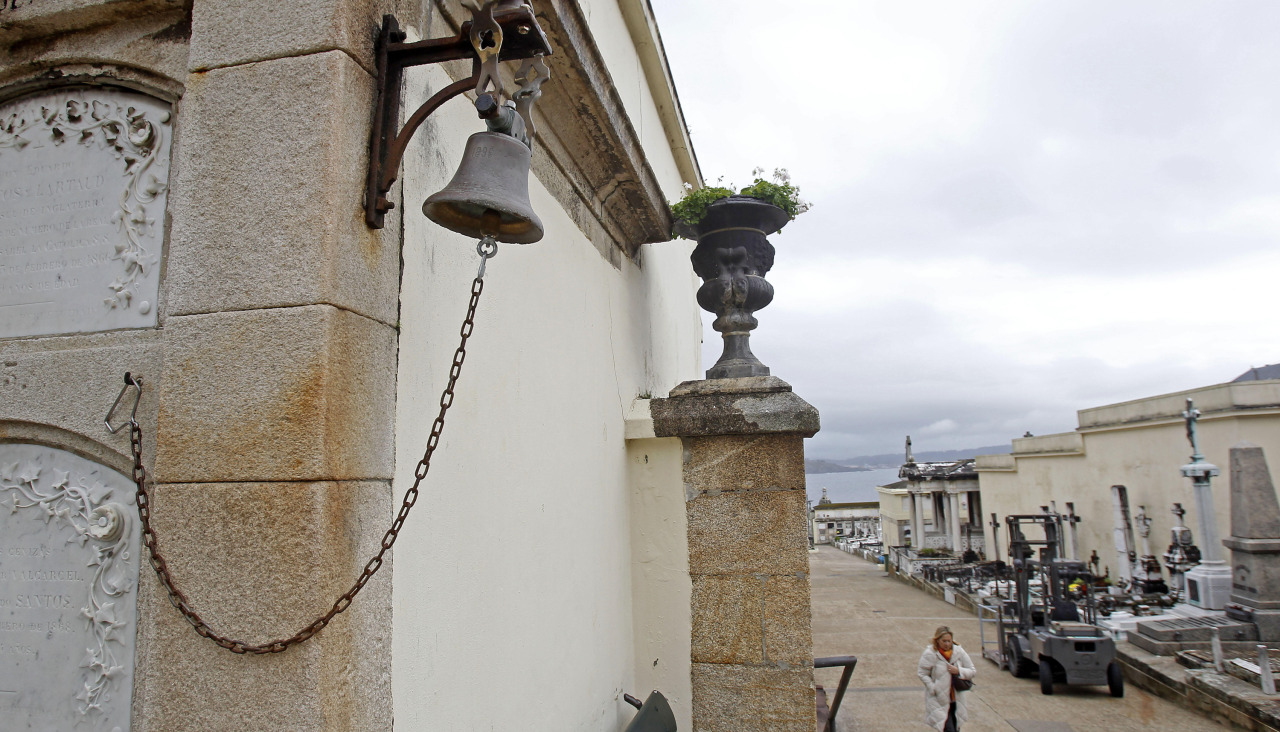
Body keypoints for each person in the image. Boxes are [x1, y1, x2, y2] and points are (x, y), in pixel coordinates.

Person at [917, 625, 976, 732]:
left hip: (956, 700)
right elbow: (922, 673)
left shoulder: (959, 652)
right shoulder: (930, 654)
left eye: (949, 641)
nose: (947, 644)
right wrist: (932, 687)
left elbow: (972, 671)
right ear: (937, 640)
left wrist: (958, 671)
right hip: (938, 700)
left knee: (955, 728)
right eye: (944, 641)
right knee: (948, 729)